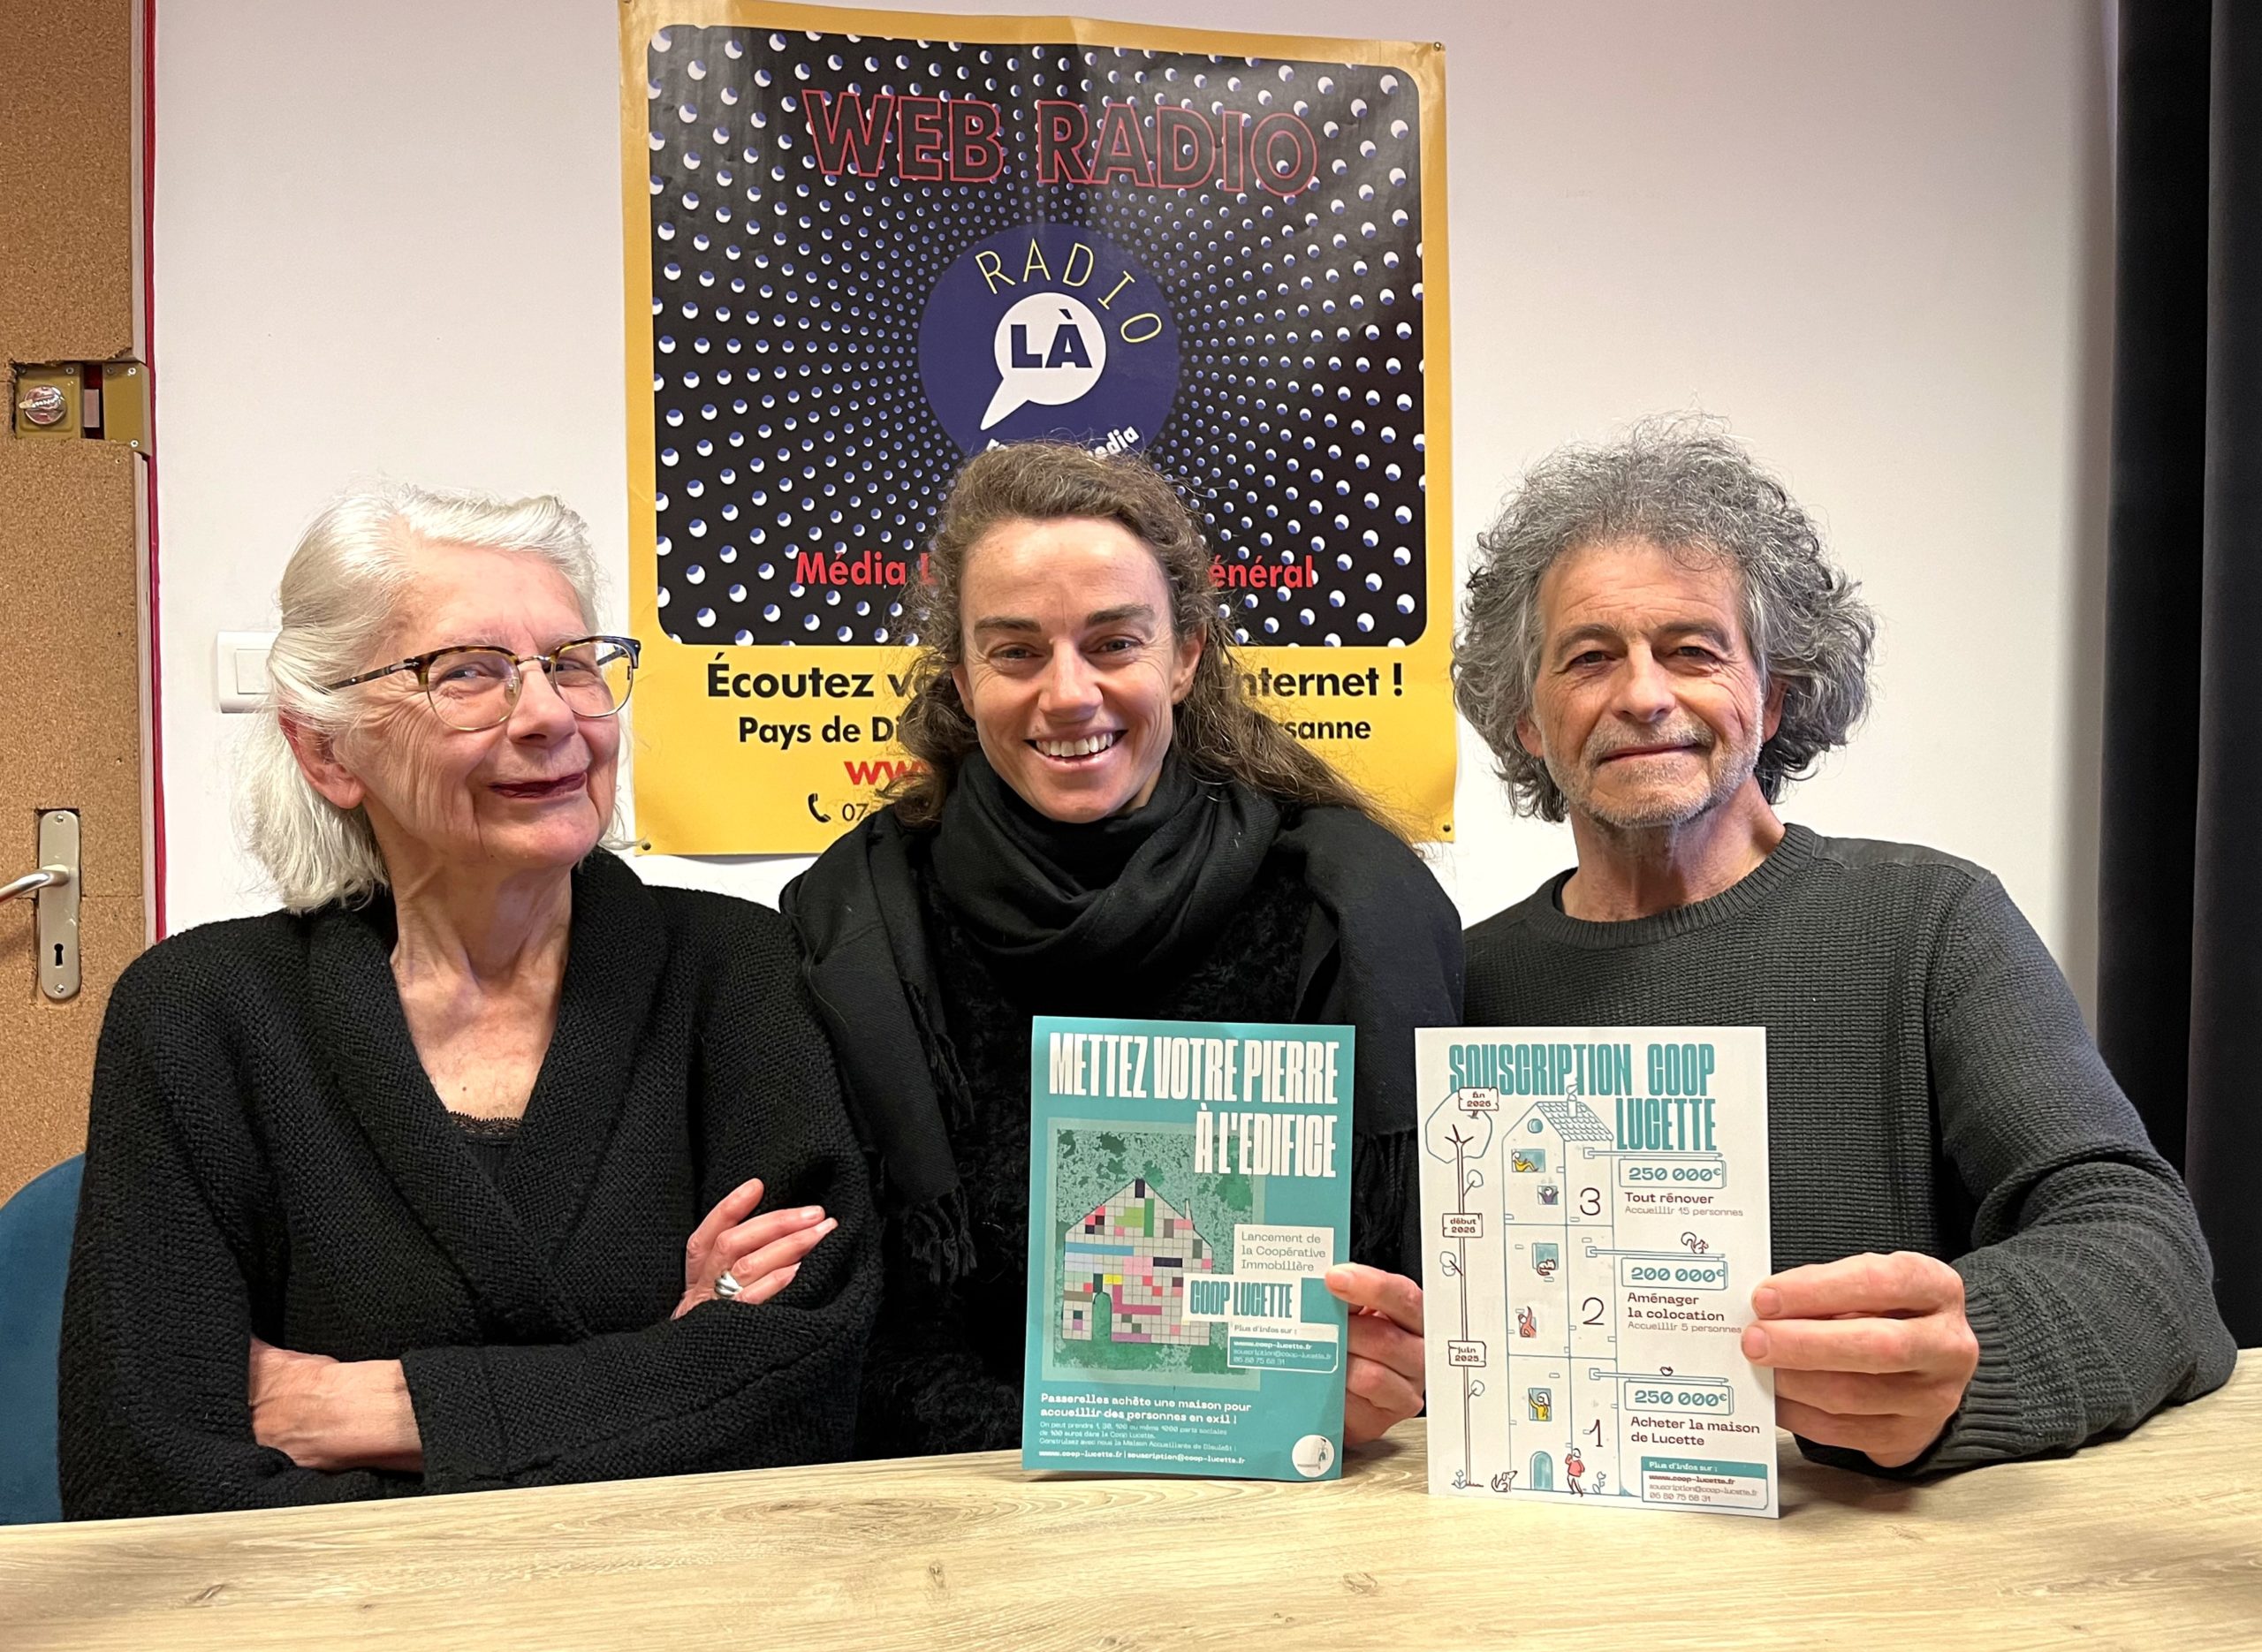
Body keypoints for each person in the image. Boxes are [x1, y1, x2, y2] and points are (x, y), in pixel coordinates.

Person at [59, 484, 878, 1518]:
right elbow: (146, 1467)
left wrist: (382, 1411)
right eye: (469, 674)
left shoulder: (738, 969)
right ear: (327, 749)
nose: (548, 716)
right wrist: (667, 1366)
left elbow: (799, 1394)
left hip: (684, 1610)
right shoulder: (201, 1016)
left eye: (573, 663)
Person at [1453, 417, 2235, 1475]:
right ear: (1527, 722)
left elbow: (2146, 1251)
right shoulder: (1463, 980)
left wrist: (1970, 1357)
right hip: (1539, 1562)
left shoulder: (1930, 922)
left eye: (1692, 650)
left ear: (1771, 697)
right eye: (1590, 657)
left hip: (1873, 1577)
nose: (1642, 693)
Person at [783, 442, 1460, 1458]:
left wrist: (1388, 1370)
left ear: (1183, 654)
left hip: (1287, 1502)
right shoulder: (853, 926)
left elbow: (1427, 1303)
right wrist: (1104, 1434)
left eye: (1112, 643)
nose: (1067, 693)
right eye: (1015, 651)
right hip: (959, 1500)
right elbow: (850, 1328)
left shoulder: (1342, 908)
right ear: (962, 679)